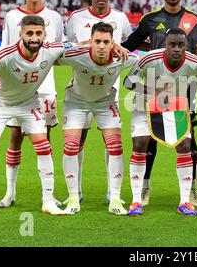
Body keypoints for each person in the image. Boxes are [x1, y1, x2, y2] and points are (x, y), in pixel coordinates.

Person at [122, 0, 197, 207]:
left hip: (184, 89)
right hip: (154, 90)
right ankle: (144, 185)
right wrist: (114, 49)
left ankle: (191, 188)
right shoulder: (150, 19)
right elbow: (132, 43)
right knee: (149, 140)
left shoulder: (194, 20)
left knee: (188, 141)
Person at [0, 15, 78, 217]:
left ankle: (48, 201)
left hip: (28, 104)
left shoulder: (51, 49)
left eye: (38, 33)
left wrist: (109, 45)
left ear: (45, 34)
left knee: (43, 146)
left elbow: (78, 45)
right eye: (29, 33)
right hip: (0, 105)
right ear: (20, 34)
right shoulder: (4, 56)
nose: (34, 37)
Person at [0, 0, 64, 208]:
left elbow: (59, 53)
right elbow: (4, 51)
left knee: (44, 140)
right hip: (16, 89)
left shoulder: (54, 17)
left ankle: (48, 195)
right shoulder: (12, 16)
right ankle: (10, 192)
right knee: (15, 137)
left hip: (45, 88)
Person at [57, 22, 138, 215]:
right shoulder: (76, 55)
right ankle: (73, 198)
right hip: (76, 102)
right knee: (70, 146)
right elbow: (54, 54)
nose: (101, 46)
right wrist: (80, 44)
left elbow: (138, 62)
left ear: (113, 43)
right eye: (97, 41)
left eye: (106, 42)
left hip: (105, 103)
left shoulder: (123, 57)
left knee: (115, 146)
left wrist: (132, 79)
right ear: (91, 42)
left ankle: (116, 198)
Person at [64, 0, 132, 205]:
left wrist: (117, 46)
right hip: (81, 88)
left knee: (112, 143)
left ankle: (113, 194)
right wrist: (86, 45)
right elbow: (64, 46)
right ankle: (76, 192)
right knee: (76, 141)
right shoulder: (76, 17)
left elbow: (129, 46)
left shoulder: (121, 18)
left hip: (107, 92)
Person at [123, 29, 197, 217]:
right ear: (164, 45)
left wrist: (190, 112)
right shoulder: (149, 59)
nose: (176, 49)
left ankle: (185, 201)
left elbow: (192, 86)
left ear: (186, 46)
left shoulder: (195, 64)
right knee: (140, 143)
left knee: (185, 145)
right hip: (146, 106)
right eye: (172, 45)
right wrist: (153, 91)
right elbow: (128, 81)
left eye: (180, 45)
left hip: (176, 107)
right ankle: (136, 200)